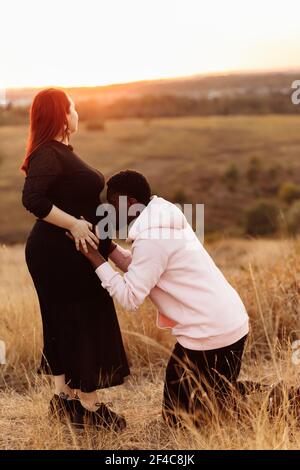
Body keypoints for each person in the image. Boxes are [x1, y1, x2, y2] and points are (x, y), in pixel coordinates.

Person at [70, 169, 250, 426]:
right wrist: (107, 247)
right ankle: (229, 393)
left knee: (194, 422)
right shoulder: (162, 218)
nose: (108, 210)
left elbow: (130, 297)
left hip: (211, 335)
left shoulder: (153, 237)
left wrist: (94, 257)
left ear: (130, 203)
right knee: (181, 414)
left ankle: (275, 398)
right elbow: (144, 267)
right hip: (222, 324)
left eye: (112, 203)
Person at [21, 89, 129, 430]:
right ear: (61, 115)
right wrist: (74, 224)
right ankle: (89, 409)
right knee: (83, 319)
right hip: (56, 253)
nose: (78, 113)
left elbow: (89, 212)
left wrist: (111, 248)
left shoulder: (63, 152)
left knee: (68, 319)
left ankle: (64, 402)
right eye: (73, 107)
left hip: (72, 249)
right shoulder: (47, 154)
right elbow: (33, 199)